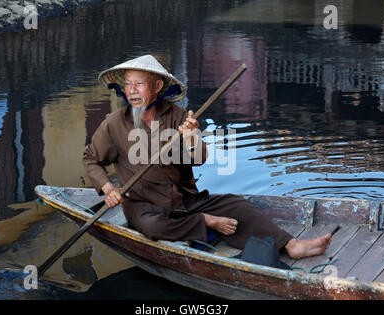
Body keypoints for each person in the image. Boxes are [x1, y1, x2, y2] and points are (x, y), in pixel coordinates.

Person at [83, 55, 331, 260]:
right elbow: (91, 159)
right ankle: (206, 222)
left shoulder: (178, 116)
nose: (132, 91)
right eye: (128, 84)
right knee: (152, 227)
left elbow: (198, 158)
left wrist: (192, 137)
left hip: (186, 200)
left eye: (139, 84)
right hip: (145, 207)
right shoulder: (114, 124)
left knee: (238, 204)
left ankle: (292, 245)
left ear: (157, 87)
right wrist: (107, 187)